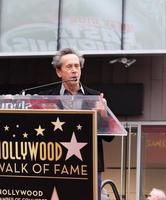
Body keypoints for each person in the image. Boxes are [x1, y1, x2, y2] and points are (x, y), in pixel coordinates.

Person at [39, 47, 114, 200]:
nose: (74, 70)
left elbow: (109, 137)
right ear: (59, 72)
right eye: (69, 66)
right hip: (57, 165)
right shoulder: (47, 98)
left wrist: (104, 114)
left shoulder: (95, 97)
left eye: (77, 66)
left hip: (90, 165)